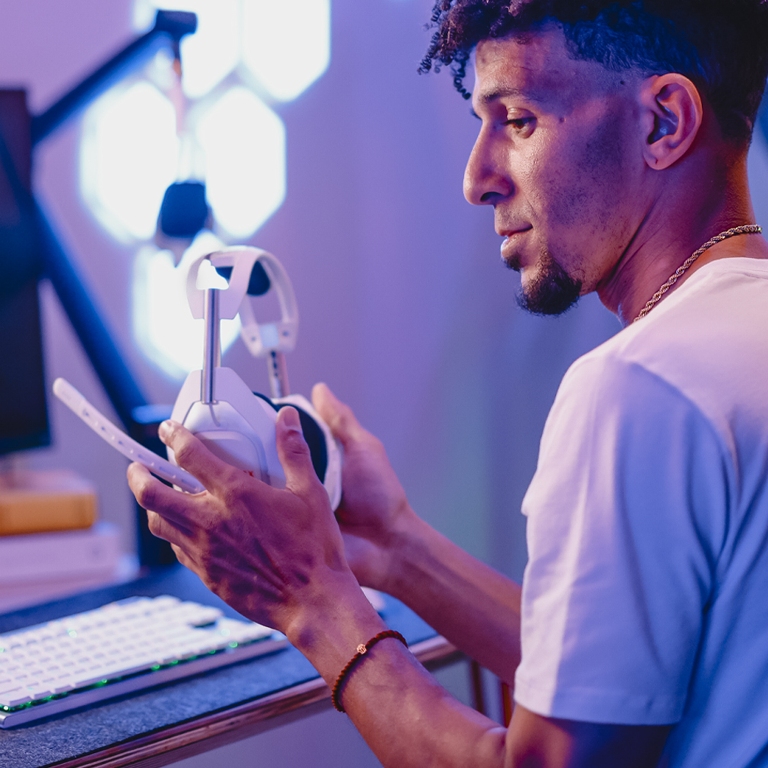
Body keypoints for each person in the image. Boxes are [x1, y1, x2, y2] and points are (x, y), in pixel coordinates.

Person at [128, 2, 768, 765]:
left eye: (519, 120)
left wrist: (310, 600)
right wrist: (394, 545)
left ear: (664, 122)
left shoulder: (637, 389)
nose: (475, 179)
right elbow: (607, 689)